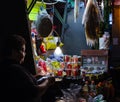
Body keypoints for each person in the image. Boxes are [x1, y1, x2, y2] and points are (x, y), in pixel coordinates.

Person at [0, 34, 55, 102]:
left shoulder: (5, 66)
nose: (24, 54)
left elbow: (22, 85)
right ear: (13, 51)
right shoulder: (15, 69)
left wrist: (35, 77)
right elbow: (34, 92)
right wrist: (48, 81)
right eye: (22, 50)